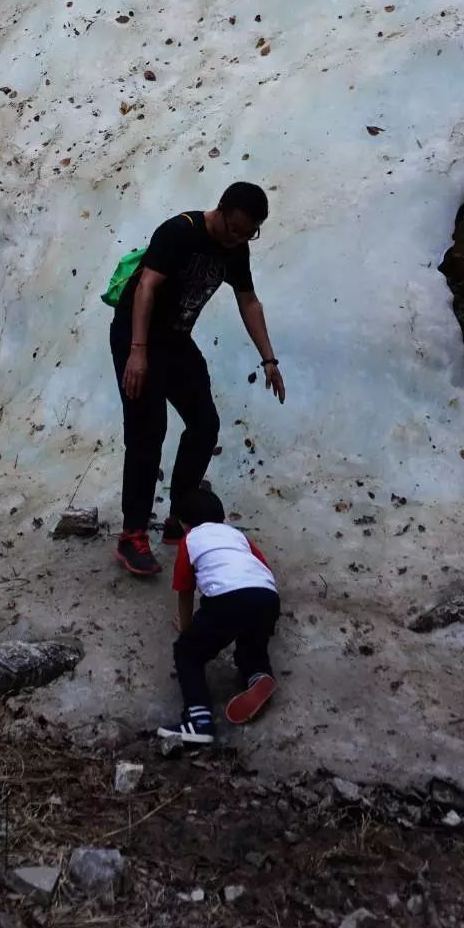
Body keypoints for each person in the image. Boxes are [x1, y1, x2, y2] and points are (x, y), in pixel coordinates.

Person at [110, 181, 284, 578]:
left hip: (175, 340)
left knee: (205, 424)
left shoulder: (236, 248)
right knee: (147, 430)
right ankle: (132, 534)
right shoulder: (180, 231)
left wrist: (269, 359)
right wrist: (137, 353)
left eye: (248, 233)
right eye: (233, 227)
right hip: (136, 335)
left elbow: (248, 301)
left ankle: (181, 514)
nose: (237, 238)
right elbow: (146, 289)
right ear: (220, 210)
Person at [158, 485, 280, 746]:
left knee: (188, 654)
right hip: (266, 595)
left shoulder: (190, 540)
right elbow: (262, 566)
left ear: (183, 523)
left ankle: (199, 721)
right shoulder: (238, 536)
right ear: (222, 518)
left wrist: (187, 628)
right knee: (252, 645)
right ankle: (258, 674)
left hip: (229, 600)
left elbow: (185, 589)